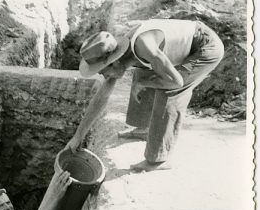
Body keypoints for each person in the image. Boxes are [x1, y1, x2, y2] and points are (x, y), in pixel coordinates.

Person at [66, 19, 224, 171]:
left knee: (168, 90)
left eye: (102, 70)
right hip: (192, 45)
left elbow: (177, 82)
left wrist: (144, 83)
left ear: (113, 62)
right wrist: (78, 136)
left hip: (205, 48)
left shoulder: (143, 46)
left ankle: (159, 159)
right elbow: (102, 97)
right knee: (141, 75)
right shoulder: (122, 53)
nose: (103, 75)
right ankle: (144, 128)